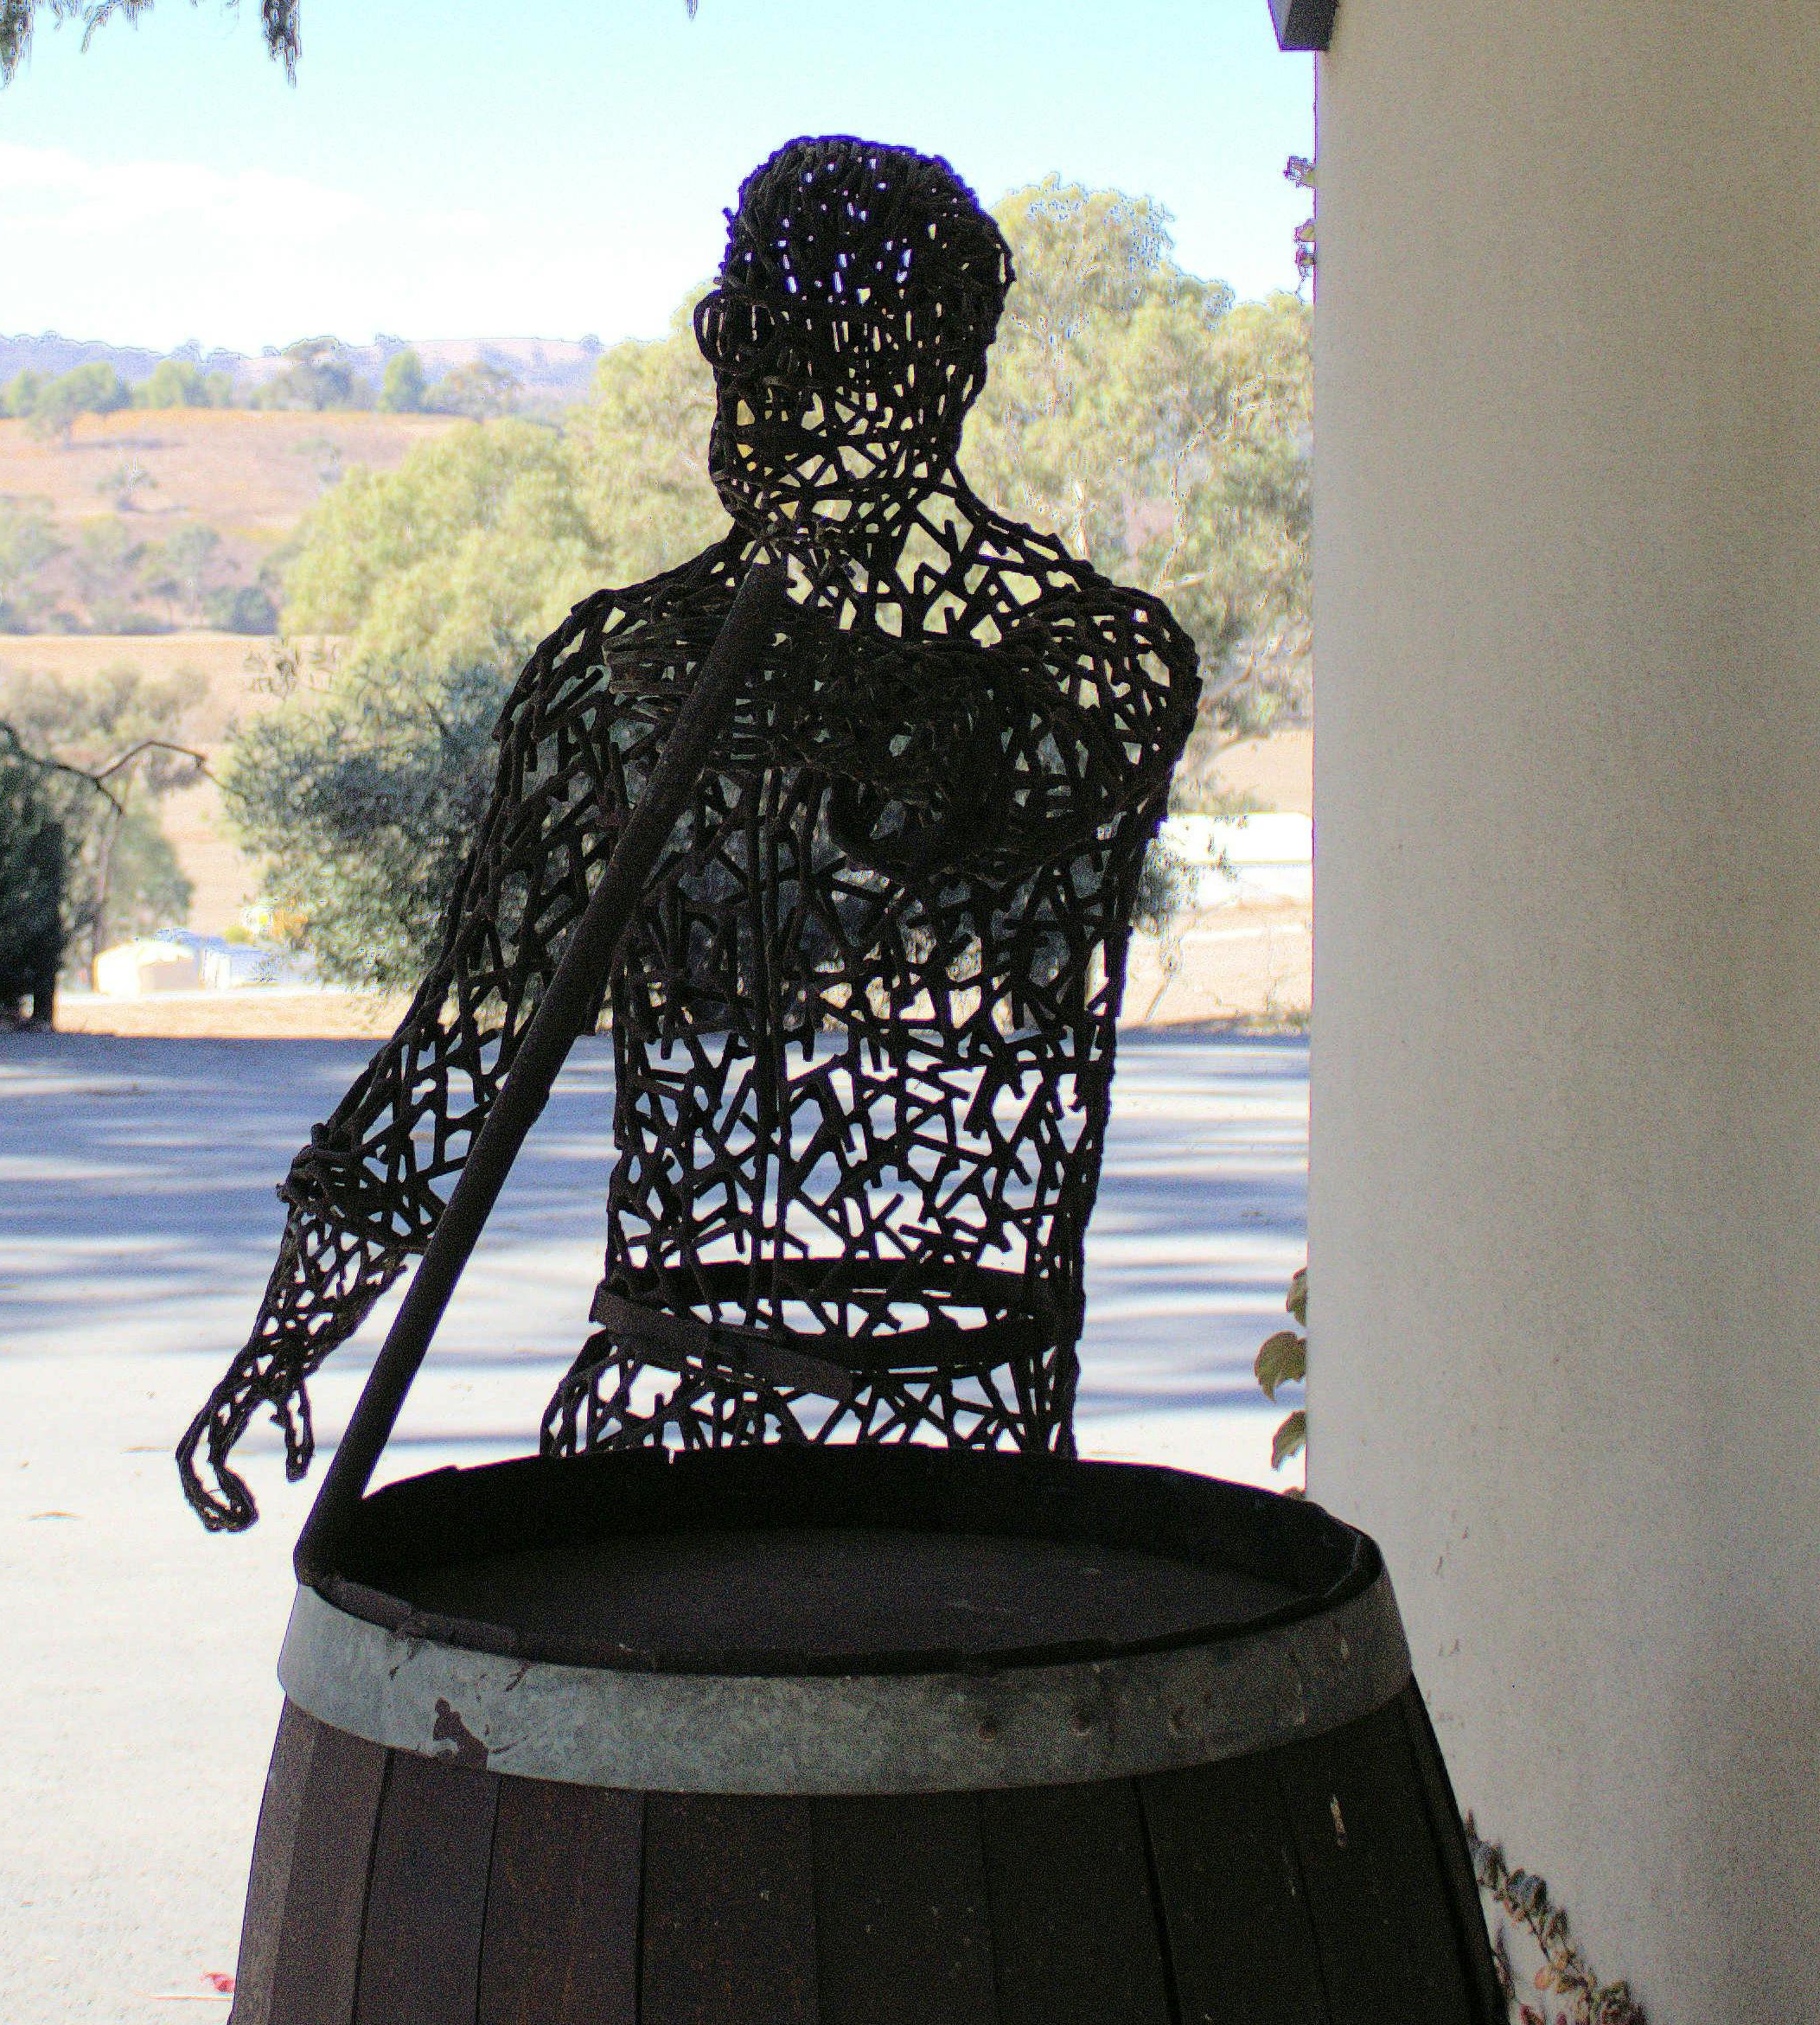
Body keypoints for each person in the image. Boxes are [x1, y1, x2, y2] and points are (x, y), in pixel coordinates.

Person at [179, 135, 1199, 1529]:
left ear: (938, 370)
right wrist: (287, 1337)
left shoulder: (1088, 650)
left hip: (956, 1449)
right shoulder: (621, 668)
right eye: (752, 345)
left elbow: (988, 773)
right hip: (660, 1419)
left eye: (829, 353)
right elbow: (458, 1057)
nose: (774, 400)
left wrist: (794, 695)